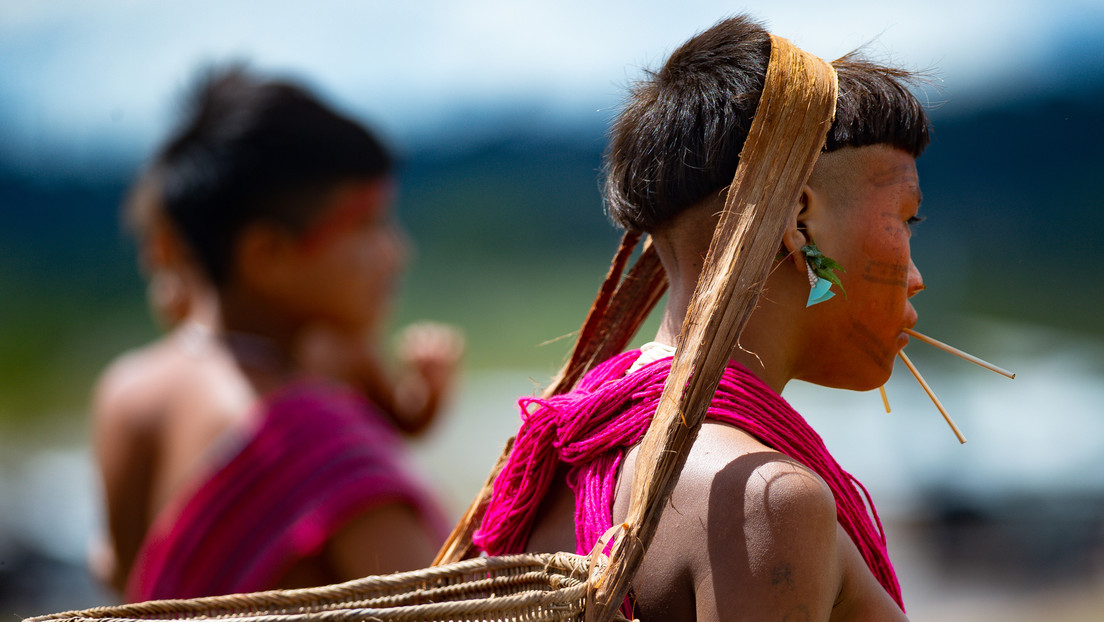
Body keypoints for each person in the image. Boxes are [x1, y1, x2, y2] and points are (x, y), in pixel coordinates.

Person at [471, 15, 929, 621]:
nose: (916, 275)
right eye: (906, 218)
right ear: (800, 220)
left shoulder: (575, 449)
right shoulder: (761, 501)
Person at [90, 65, 460, 601]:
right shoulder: (315, 444)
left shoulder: (126, 390)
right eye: (365, 225)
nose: (396, 252)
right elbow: (453, 609)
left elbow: (122, 578)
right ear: (268, 255)